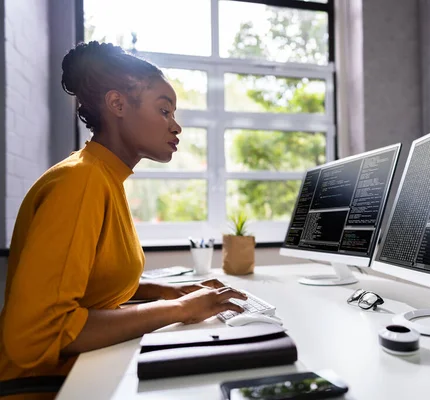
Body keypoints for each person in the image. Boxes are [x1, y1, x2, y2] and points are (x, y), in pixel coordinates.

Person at [0, 41, 246, 392]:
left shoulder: (103, 177)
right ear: (117, 104)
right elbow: (37, 334)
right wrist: (180, 310)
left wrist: (166, 292)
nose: (176, 127)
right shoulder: (80, 181)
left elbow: (91, 289)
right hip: (41, 389)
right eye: (164, 111)